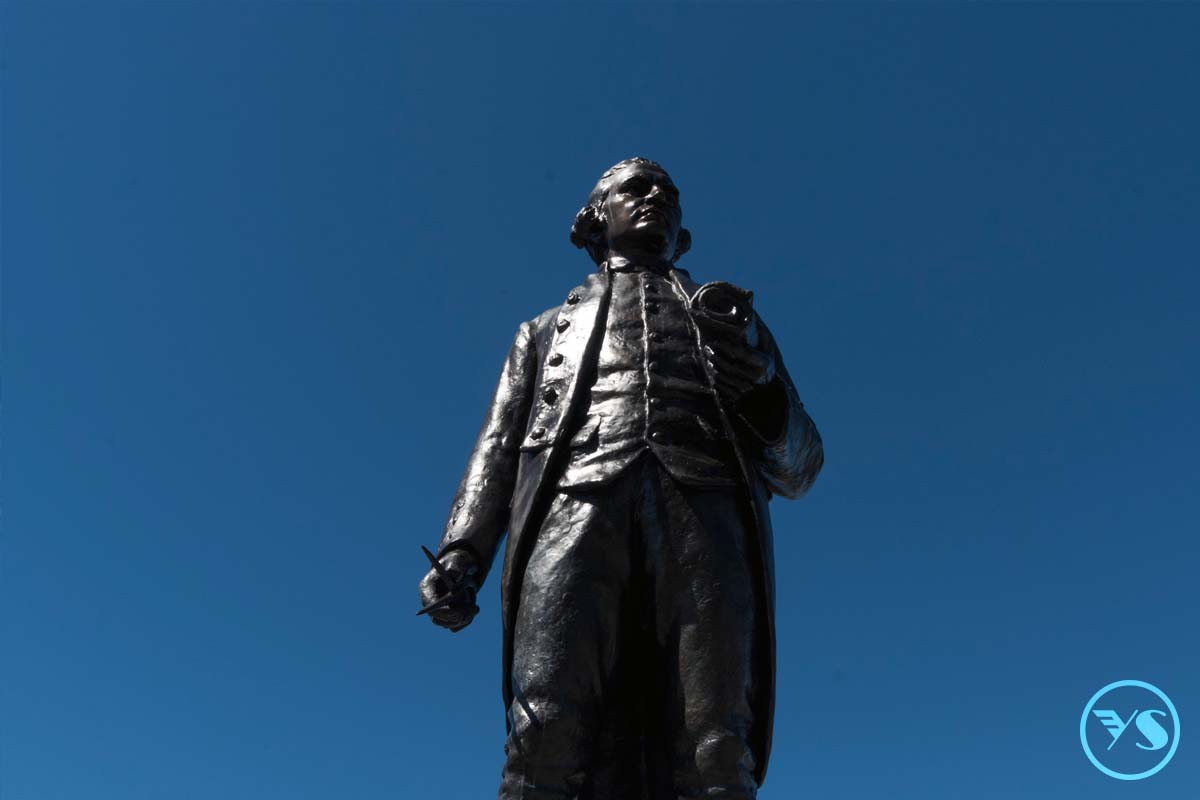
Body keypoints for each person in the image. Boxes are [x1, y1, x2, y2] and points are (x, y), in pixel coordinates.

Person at [418, 157, 823, 799]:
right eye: (635, 187)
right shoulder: (542, 331)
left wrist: (762, 394)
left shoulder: (731, 322)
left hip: (707, 512)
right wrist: (462, 553)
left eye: (669, 192)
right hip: (572, 509)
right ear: (595, 217)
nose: (656, 196)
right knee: (542, 729)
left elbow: (801, 465)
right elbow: (497, 448)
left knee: (717, 744)